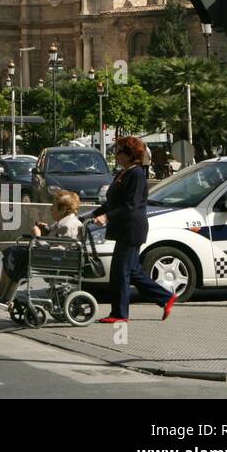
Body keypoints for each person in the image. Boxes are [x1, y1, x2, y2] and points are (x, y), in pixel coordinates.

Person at [92, 135, 176, 324]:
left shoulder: (136, 174)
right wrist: (91, 214)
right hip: (124, 229)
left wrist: (107, 217)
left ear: (130, 155)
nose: (116, 154)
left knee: (120, 272)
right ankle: (165, 298)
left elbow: (131, 205)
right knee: (132, 270)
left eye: (119, 151)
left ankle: (120, 314)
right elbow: (113, 202)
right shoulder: (123, 173)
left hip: (132, 229)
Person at [0, 191, 82, 306]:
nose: (51, 209)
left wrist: (38, 237)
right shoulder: (64, 222)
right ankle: (1, 292)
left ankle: (6, 295)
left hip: (54, 262)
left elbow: (55, 252)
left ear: (63, 209)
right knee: (13, 252)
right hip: (50, 258)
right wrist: (47, 230)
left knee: (15, 255)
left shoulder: (68, 225)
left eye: (53, 206)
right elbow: (56, 241)